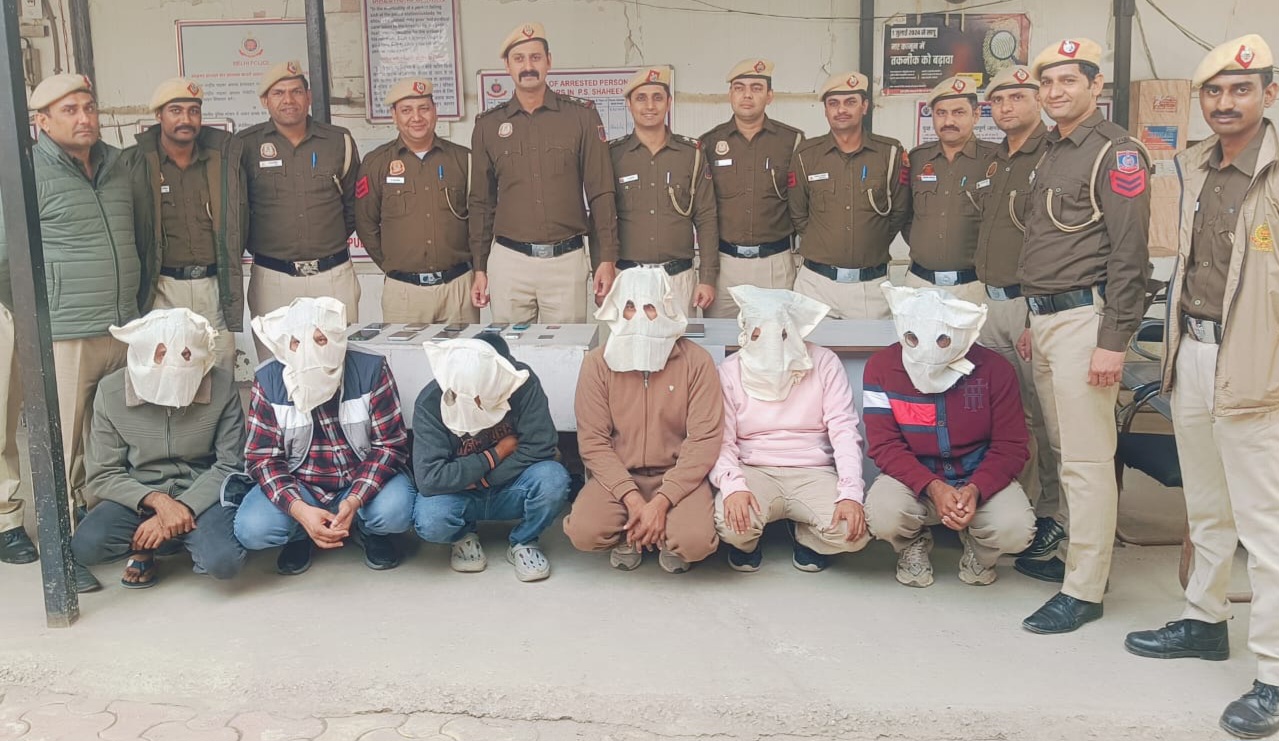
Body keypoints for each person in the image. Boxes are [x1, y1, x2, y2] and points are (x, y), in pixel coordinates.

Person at [1121, 35, 1279, 740]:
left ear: (1268, 94)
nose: (1224, 102)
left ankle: (1273, 674)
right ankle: (1204, 620)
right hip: (1192, 353)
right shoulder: (1194, 166)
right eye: (1212, 92)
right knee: (1208, 508)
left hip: (1259, 368)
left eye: (1240, 90)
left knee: (1266, 529)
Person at [1018, 39, 1152, 635]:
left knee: (1088, 460)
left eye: (1069, 80)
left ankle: (1085, 589)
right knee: (1064, 453)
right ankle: (1079, 558)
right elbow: (1048, 243)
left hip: (1084, 324)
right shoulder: (1052, 149)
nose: (1056, 92)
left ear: (1096, 86)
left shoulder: (1116, 153)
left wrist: (1113, 340)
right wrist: (1033, 318)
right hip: (1048, 320)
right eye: (1048, 83)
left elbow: (1130, 256)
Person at [0, 73, 142, 591]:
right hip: (62, 331)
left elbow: (139, 236)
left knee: (100, 440)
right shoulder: (24, 172)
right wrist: (36, 315)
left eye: (89, 107)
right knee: (57, 444)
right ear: (41, 122)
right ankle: (59, 550)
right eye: (69, 110)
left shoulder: (117, 165)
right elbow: (4, 256)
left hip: (118, 324)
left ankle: (88, 527)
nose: (84, 118)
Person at [862, 283, 1034, 587]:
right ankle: (911, 544)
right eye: (913, 338)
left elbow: (1011, 445)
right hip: (914, 478)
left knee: (1015, 528)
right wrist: (932, 487)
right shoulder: (881, 368)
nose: (928, 349)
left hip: (977, 473)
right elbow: (884, 444)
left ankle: (980, 550)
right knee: (883, 514)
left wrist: (976, 489)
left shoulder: (995, 369)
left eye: (943, 340)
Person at [233, 297, 415, 574]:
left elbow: (390, 446)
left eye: (320, 340)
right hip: (301, 486)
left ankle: (369, 530)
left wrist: (355, 499)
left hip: (360, 479)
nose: (309, 352)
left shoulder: (371, 368)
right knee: (253, 528)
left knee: (395, 512)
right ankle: (300, 534)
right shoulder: (269, 379)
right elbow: (262, 459)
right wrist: (299, 510)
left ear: (337, 339)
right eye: (297, 342)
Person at [70, 309, 246, 588]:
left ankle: (165, 537)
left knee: (224, 563)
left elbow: (230, 464)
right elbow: (103, 473)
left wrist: (182, 508)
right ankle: (152, 544)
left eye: (185, 354)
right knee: (88, 545)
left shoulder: (221, 385)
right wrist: (158, 502)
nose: (172, 363)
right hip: (139, 496)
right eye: (161, 353)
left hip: (201, 494)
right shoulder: (112, 391)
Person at [971, 65, 1065, 583]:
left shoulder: (1051, 155)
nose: (1007, 107)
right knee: (1005, 416)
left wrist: (1036, 311)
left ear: (1038, 100)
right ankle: (1020, 508)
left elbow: (1052, 241)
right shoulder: (996, 159)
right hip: (989, 302)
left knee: (1045, 418)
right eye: (999, 100)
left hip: (1029, 306)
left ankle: (1053, 517)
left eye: (1018, 97)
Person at [563, 267, 722, 573]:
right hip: (620, 476)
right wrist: (634, 500)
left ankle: (658, 532)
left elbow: (704, 440)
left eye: (649, 307)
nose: (638, 316)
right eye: (629, 307)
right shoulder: (597, 364)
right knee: (584, 531)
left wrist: (662, 501)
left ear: (664, 309)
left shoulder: (696, 362)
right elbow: (593, 442)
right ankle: (639, 531)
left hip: (678, 476)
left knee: (695, 542)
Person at [711, 285, 869, 572]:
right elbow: (722, 439)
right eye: (758, 335)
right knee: (732, 526)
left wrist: (850, 493)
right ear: (746, 331)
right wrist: (733, 486)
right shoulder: (730, 370)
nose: (770, 345)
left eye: (782, 335)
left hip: (813, 470)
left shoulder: (824, 362)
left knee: (853, 534)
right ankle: (749, 542)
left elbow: (844, 431)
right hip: (754, 468)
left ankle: (805, 536)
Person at [469, 22, 620, 323]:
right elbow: (481, 203)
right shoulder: (488, 126)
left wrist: (606, 259)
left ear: (549, 61)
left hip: (565, 262)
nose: (528, 66)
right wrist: (480, 267)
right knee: (510, 349)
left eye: (535, 57)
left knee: (567, 348)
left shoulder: (581, 116)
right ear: (507, 66)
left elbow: (601, 191)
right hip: (509, 263)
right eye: (519, 59)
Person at [411, 335, 570, 582]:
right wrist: (496, 454)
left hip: (504, 485)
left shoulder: (522, 382)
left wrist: (483, 479)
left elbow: (542, 447)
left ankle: (524, 540)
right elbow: (429, 479)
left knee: (553, 479)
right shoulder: (431, 400)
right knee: (430, 519)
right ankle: (462, 536)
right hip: (459, 493)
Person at [238, 61, 361, 361]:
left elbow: (353, 205)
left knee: (337, 364)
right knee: (276, 368)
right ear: (265, 100)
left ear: (309, 97)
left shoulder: (338, 140)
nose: (288, 100)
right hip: (273, 278)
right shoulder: (245, 145)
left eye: (296, 91)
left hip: (332, 276)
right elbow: (238, 208)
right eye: (278, 93)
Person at [125, 77, 246, 372]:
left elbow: (242, 217)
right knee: (168, 373)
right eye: (176, 111)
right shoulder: (134, 163)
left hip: (214, 286)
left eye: (193, 111)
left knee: (220, 369)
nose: (186, 119)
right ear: (159, 115)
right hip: (164, 288)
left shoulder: (222, 162)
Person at [355, 77, 477, 324]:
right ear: (394, 116)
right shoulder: (376, 163)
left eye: (424, 108)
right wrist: (393, 266)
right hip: (404, 294)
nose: (417, 117)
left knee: (463, 350)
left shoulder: (464, 159)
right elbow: (365, 224)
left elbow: (480, 220)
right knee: (404, 351)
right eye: (406, 110)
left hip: (458, 289)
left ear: (435, 111)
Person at [790, 72, 909, 318]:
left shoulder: (890, 153)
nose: (841, 110)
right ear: (825, 110)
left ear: (864, 106)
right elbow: (798, 213)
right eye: (833, 103)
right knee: (809, 344)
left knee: (871, 344)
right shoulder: (806, 154)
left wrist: (869, 241)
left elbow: (899, 211)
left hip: (869, 286)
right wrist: (826, 244)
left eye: (850, 102)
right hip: (815, 285)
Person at [699, 59, 805, 319]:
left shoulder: (791, 141)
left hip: (774, 263)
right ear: (730, 94)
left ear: (770, 96)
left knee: (776, 337)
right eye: (739, 88)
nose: (747, 95)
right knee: (721, 339)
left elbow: (804, 205)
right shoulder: (709, 143)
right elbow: (703, 211)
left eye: (756, 88)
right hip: (725, 265)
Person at [609, 66, 718, 314]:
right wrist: (601, 269)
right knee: (628, 340)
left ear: (668, 103)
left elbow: (706, 218)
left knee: (680, 340)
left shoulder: (692, 154)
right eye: (641, 98)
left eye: (657, 98)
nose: (650, 106)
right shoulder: (613, 156)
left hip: (677, 280)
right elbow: (602, 221)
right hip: (627, 278)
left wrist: (707, 277)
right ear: (629, 104)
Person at [903, 76, 997, 305]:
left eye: (958, 112)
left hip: (974, 287)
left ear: (976, 115)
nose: (949, 121)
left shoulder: (995, 160)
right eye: (941, 113)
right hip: (920, 283)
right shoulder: (917, 158)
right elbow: (904, 216)